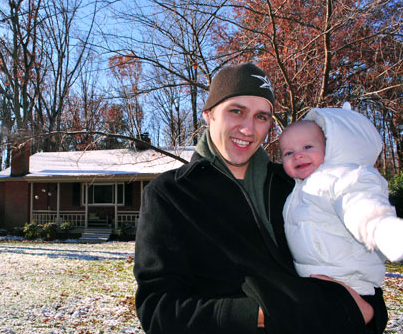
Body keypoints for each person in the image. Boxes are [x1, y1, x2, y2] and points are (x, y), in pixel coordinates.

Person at [134, 63, 387, 334]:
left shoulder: (298, 186)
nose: (248, 129)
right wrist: (264, 313)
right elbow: (159, 309)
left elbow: (359, 272)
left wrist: (371, 312)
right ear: (209, 114)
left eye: (261, 117)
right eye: (236, 111)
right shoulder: (172, 194)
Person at [279, 107, 403, 318]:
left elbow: (359, 205)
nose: (297, 155)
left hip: (349, 283)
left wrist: (383, 230)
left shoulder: (341, 178)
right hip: (321, 284)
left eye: (308, 146)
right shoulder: (300, 188)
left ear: (333, 149)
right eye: (288, 153)